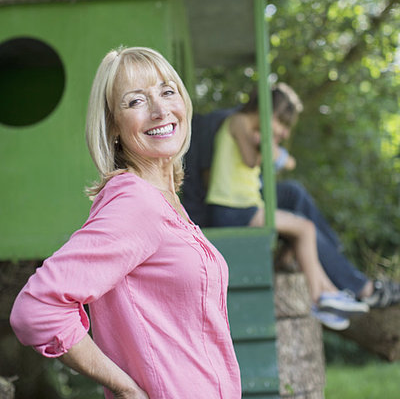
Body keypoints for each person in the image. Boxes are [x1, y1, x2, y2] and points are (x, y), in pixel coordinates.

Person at [10, 47, 241, 399]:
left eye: (167, 91)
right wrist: (125, 387)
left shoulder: (166, 201)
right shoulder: (136, 203)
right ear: (113, 125)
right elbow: (37, 308)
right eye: (135, 101)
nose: (160, 109)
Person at [204, 91, 369, 330]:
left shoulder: (253, 131)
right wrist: (267, 146)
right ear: (264, 112)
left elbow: (285, 161)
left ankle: (330, 294)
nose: (282, 131)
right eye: (279, 122)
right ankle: (317, 299)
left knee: (301, 231)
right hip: (232, 209)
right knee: (305, 229)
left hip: (243, 206)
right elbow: (251, 160)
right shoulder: (238, 122)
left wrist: (271, 147)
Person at [271, 82, 400, 310]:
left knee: (294, 192)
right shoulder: (248, 131)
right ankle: (362, 288)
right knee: (302, 217)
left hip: (257, 199)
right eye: (281, 123)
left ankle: (332, 253)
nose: (285, 133)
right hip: (244, 206)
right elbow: (286, 161)